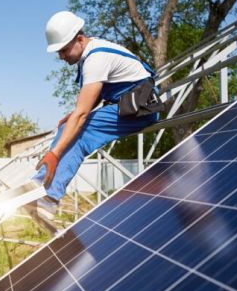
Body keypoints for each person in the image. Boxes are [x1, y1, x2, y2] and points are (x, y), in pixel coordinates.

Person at [34, 11, 160, 205]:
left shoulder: (96, 58)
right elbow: (93, 99)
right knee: (69, 126)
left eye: (64, 50)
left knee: (80, 130)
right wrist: (73, 116)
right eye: (58, 52)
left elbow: (83, 113)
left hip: (140, 108)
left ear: (80, 39)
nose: (61, 56)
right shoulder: (91, 52)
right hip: (128, 106)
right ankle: (41, 184)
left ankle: (48, 195)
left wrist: (54, 154)